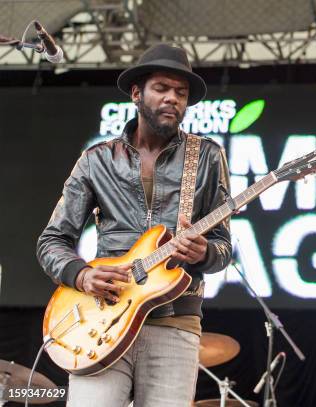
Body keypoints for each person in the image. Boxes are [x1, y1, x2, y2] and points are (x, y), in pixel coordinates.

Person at [36, 44, 232, 406]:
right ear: (137, 93)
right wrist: (80, 275)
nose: (172, 98)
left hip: (174, 322)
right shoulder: (97, 160)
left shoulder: (206, 156)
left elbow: (223, 247)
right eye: (162, 88)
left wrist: (206, 252)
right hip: (101, 319)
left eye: (181, 92)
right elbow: (52, 241)